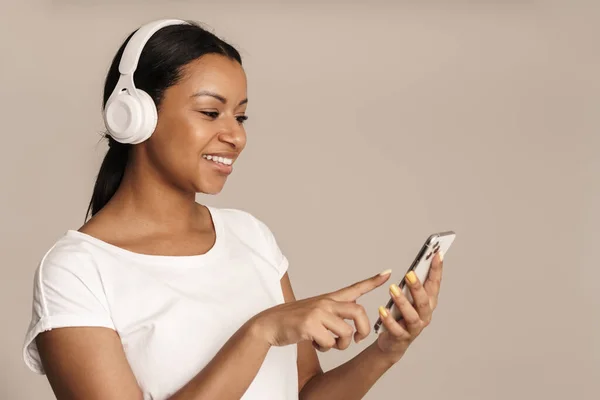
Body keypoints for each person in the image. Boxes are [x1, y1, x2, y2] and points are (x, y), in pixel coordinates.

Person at [22, 19, 445, 400]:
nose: (235, 137)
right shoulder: (76, 270)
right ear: (135, 116)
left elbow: (303, 393)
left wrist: (385, 352)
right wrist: (260, 332)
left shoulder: (251, 236)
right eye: (211, 112)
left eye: (240, 118)